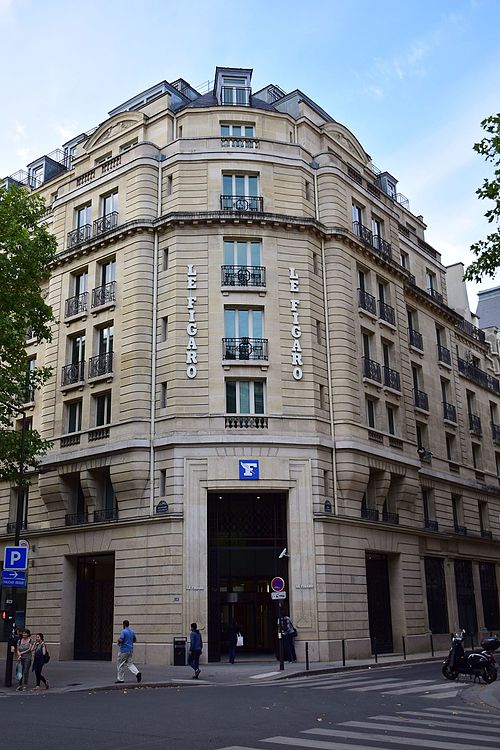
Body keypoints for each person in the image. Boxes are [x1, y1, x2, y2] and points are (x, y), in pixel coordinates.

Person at [115, 620, 142, 684]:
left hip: (123, 650)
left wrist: (118, 641)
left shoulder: (123, 632)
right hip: (130, 650)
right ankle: (137, 673)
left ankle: (120, 679)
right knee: (130, 664)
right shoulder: (132, 632)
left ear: (124, 625)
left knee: (120, 664)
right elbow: (134, 640)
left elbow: (121, 639)